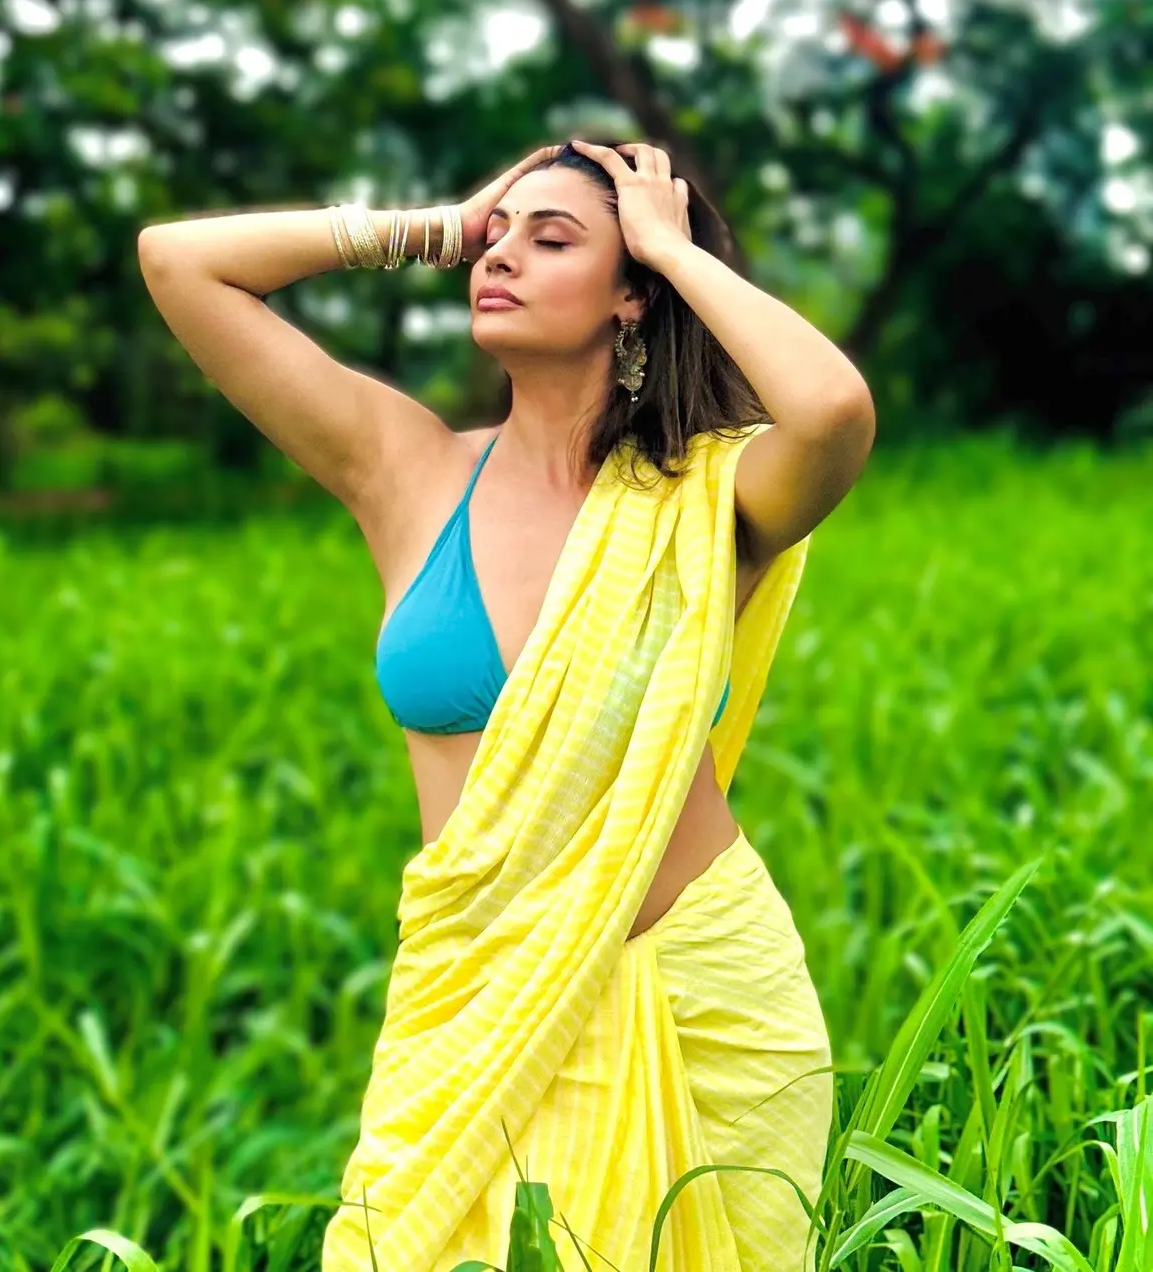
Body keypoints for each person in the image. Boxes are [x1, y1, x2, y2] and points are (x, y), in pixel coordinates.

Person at [137, 137, 876, 1272]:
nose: (503, 255)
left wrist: (671, 248)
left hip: (693, 988)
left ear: (631, 293)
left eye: (553, 237)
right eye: (499, 234)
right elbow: (179, 263)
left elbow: (829, 411)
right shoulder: (407, 467)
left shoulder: (708, 498)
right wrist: (431, 223)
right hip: (469, 986)